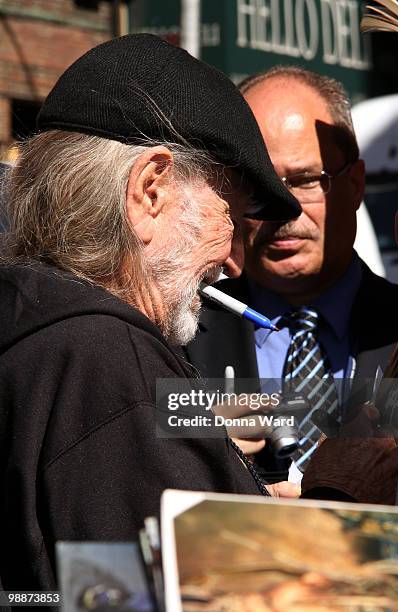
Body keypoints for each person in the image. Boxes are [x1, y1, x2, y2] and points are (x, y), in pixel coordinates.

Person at [0, 34, 302, 591]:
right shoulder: (107, 362)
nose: (235, 262)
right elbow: (180, 596)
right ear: (151, 190)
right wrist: (333, 526)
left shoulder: (40, 336)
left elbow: (70, 589)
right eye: (231, 213)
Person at [185, 66, 398, 484]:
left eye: (306, 181)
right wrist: (196, 440)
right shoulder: (179, 332)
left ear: (355, 184)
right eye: (259, 185)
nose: (282, 210)